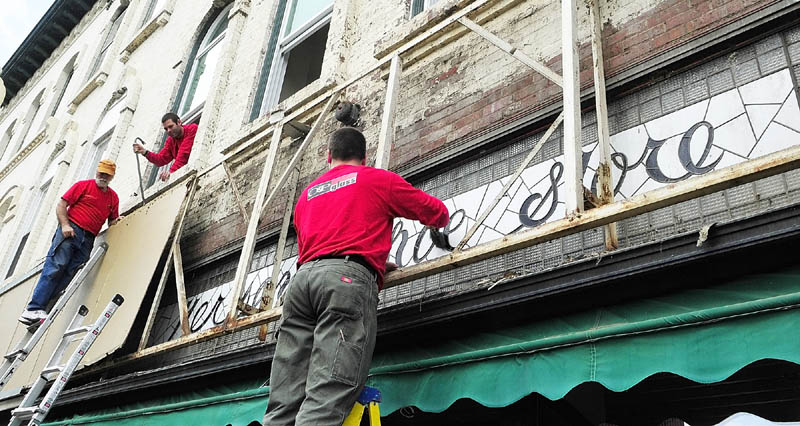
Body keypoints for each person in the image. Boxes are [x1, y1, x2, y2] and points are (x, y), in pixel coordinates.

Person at [262, 127, 449, 425]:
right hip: (345, 282)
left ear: (328, 156)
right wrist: (443, 220)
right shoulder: (377, 179)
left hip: (301, 284)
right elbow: (433, 211)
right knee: (327, 393)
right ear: (364, 157)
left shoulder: (307, 195)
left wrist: (372, 261)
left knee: (285, 394)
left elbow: (319, 246)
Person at [18, 160, 122, 325]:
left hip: (89, 238)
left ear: (112, 176)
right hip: (72, 230)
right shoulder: (83, 186)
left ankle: (42, 309)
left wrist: (119, 221)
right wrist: (65, 225)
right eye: (101, 173)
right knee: (56, 266)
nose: (102, 176)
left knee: (70, 272)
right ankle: (33, 308)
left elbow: (112, 221)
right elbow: (61, 205)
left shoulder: (113, 197)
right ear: (97, 171)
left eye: (106, 175)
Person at [132, 112, 197, 182]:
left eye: (171, 126)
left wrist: (171, 172)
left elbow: (184, 155)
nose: (168, 131)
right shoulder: (170, 141)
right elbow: (161, 159)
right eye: (166, 129)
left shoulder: (192, 129)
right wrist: (145, 152)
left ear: (179, 122)